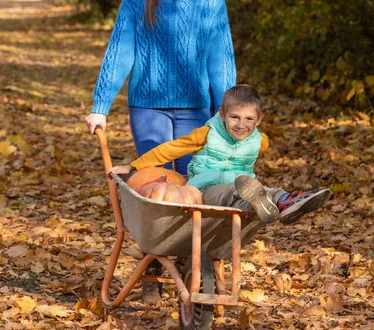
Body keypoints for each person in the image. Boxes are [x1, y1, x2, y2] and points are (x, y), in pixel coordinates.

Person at [85, 0, 236, 301]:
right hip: (148, 106)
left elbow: (220, 60)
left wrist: (228, 113)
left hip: (196, 109)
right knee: (154, 185)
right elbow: (121, 52)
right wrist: (100, 105)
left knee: (191, 183)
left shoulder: (210, 0)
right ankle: (153, 258)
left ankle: (189, 258)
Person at [109, 84, 332, 299]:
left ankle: (285, 201)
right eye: (234, 117)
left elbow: (258, 146)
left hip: (242, 192)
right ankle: (265, 202)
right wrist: (133, 166)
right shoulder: (206, 134)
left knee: (259, 192)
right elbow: (170, 149)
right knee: (238, 190)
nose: (241, 125)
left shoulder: (259, 141)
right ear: (222, 113)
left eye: (249, 119)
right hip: (206, 191)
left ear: (259, 120)